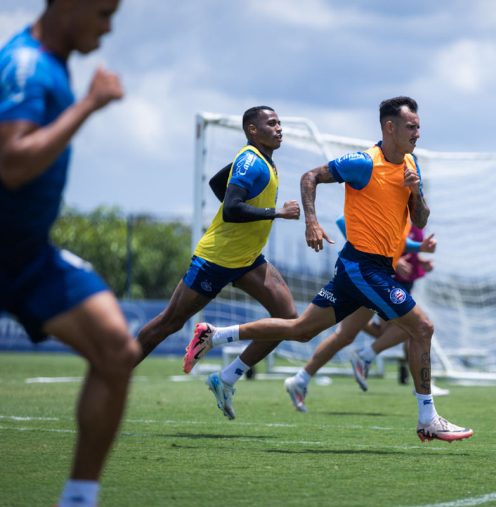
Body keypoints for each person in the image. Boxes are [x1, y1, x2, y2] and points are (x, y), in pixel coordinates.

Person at [185, 96, 473, 442]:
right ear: (390, 127)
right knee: (422, 327)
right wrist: (312, 222)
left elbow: (421, 220)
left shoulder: (411, 164)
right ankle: (427, 417)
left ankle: (216, 337)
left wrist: (416, 192)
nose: (418, 133)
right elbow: (310, 177)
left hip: (370, 269)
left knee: (302, 329)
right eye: (411, 127)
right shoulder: (364, 162)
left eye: (419, 127)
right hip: (363, 267)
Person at [0, 2, 140, 506]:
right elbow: (12, 164)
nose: (108, 28)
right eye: (102, 13)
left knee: (117, 350)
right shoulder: (26, 66)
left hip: (25, 255)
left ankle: (78, 500)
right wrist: (89, 104)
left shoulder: (52, 64)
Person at [136, 105, 301, 420]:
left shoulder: (262, 159)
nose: (279, 128)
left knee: (287, 319)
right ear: (252, 130)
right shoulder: (252, 161)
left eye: (280, 122)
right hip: (216, 259)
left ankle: (226, 378)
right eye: (271, 123)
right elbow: (231, 209)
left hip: (248, 259)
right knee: (169, 322)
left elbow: (217, 183)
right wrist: (277, 213)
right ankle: (115, 373)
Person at [282, 219, 439, 412]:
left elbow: (398, 244)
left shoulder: (411, 219)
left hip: (388, 282)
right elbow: (343, 222)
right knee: (416, 326)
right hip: (373, 279)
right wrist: (396, 260)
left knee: (360, 334)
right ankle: (365, 356)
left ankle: (301, 379)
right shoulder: (388, 207)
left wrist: (419, 259)